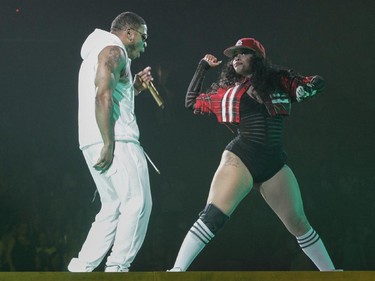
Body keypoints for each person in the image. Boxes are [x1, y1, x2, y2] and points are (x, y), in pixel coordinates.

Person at [169, 38, 338, 271]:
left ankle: (331, 274)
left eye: (244, 52)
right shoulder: (228, 91)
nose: (236, 57)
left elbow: (312, 83)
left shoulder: (279, 81)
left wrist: (309, 87)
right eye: (234, 54)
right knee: (214, 216)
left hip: (274, 163)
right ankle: (176, 271)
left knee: (298, 223)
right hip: (242, 156)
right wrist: (202, 68)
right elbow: (191, 102)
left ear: (257, 59)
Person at [68, 11, 153, 272]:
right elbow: (102, 95)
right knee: (138, 202)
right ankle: (118, 267)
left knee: (113, 205)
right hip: (116, 139)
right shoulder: (114, 51)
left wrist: (133, 88)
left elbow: (111, 92)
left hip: (91, 139)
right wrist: (109, 142)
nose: (145, 43)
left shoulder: (98, 51)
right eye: (143, 36)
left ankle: (82, 266)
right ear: (129, 33)